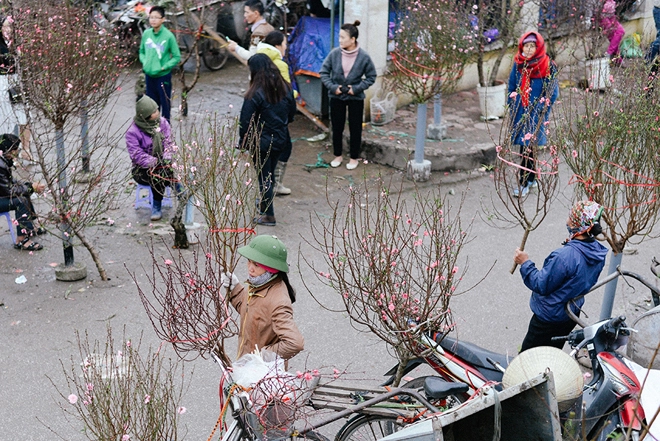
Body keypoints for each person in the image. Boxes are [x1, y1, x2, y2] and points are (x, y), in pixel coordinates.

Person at [514, 201, 608, 352]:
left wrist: (525, 263)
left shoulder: (565, 257)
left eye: (570, 217)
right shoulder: (598, 253)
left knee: (528, 357)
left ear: (577, 224)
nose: (567, 220)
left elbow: (541, 284)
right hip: (570, 314)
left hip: (548, 318)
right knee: (552, 353)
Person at [221, 234, 304, 361]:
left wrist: (261, 357)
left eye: (256, 264)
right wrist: (235, 289)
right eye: (249, 261)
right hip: (247, 367)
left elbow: (294, 343)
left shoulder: (278, 301)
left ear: (270, 269)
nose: (250, 268)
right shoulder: (259, 283)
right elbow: (252, 312)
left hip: (262, 374)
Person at [238, 54, 296, 226]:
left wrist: (243, 143)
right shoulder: (286, 88)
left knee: (264, 177)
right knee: (269, 174)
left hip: (261, 141)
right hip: (281, 139)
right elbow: (292, 114)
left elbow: (245, 122)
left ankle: (268, 215)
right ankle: (264, 203)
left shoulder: (254, 93)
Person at [507, 31, 558, 198]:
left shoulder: (547, 65)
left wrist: (544, 109)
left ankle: (524, 183)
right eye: (526, 46)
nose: (528, 50)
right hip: (521, 111)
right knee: (527, 148)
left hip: (536, 113)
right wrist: (512, 104)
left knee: (527, 148)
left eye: (532, 46)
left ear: (538, 48)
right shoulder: (519, 63)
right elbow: (512, 86)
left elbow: (553, 91)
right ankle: (532, 179)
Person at [320, 21, 376, 170]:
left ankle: (353, 157)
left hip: (355, 98)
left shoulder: (364, 56)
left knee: (355, 128)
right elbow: (324, 72)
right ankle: (337, 155)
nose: (340, 40)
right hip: (336, 96)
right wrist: (333, 87)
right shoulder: (334, 54)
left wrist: (356, 89)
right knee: (337, 127)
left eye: (343, 37)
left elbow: (371, 76)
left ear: (353, 39)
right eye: (339, 37)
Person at [257, 30, 293, 196]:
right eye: (284, 43)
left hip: (262, 112)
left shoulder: (258, 59)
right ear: (277, 45)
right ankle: (275, 184)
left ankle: (267, 185)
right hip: (278, 113)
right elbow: (287, 92)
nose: (286, 47)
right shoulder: (280, 64)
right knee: (284, 146)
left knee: (266, 151)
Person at [126, 95, 173, 221]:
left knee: (168, 170)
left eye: (157, 110)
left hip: (163, 164)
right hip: (141, 170)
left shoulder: (163, 123)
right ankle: (157, 205)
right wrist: (155, 162)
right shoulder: (133, 132)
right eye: (153, 112)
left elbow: (169, 143)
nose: (157, 113)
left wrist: (166, 158)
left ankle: (178, 188)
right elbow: (137, 155)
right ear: (145, 116)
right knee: (157, 174)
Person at [0, 134, 45, 251]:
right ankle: (22, 239)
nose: (16, 152)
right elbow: (10, 191)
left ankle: (30, 227)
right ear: (8, 150)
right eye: (16, 149)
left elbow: (10, 183)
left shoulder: (3, 161)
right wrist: (31, 188)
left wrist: (28, 186)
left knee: (24, 193)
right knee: (21, 200)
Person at [139, 6, 181, 123]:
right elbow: (142, 51)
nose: (153, 20)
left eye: (156, 17)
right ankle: (153, 132)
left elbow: (177, 57)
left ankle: (166, 131)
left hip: (163, 76)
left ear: (163, 19)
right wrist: (145, 62)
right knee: (151, 107)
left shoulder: (168, 36)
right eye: (151, 17)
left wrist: (164, 67)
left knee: (165, 105)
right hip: (149, 76)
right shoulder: (147, 34)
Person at [0, 16, 31, 162]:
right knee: (6, 119)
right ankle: (8, 152)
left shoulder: (14, 43)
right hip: (2, 82)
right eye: (5, 27)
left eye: (9, 27)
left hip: (16, 81)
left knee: (23, 114)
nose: (8, 30)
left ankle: (26, 149)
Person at [227, 0, 275, 66]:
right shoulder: (270, 27)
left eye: (247, 12)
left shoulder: (258, 33)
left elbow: (252, 56)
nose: (245, 15)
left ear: (256, 14)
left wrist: (236, 47)